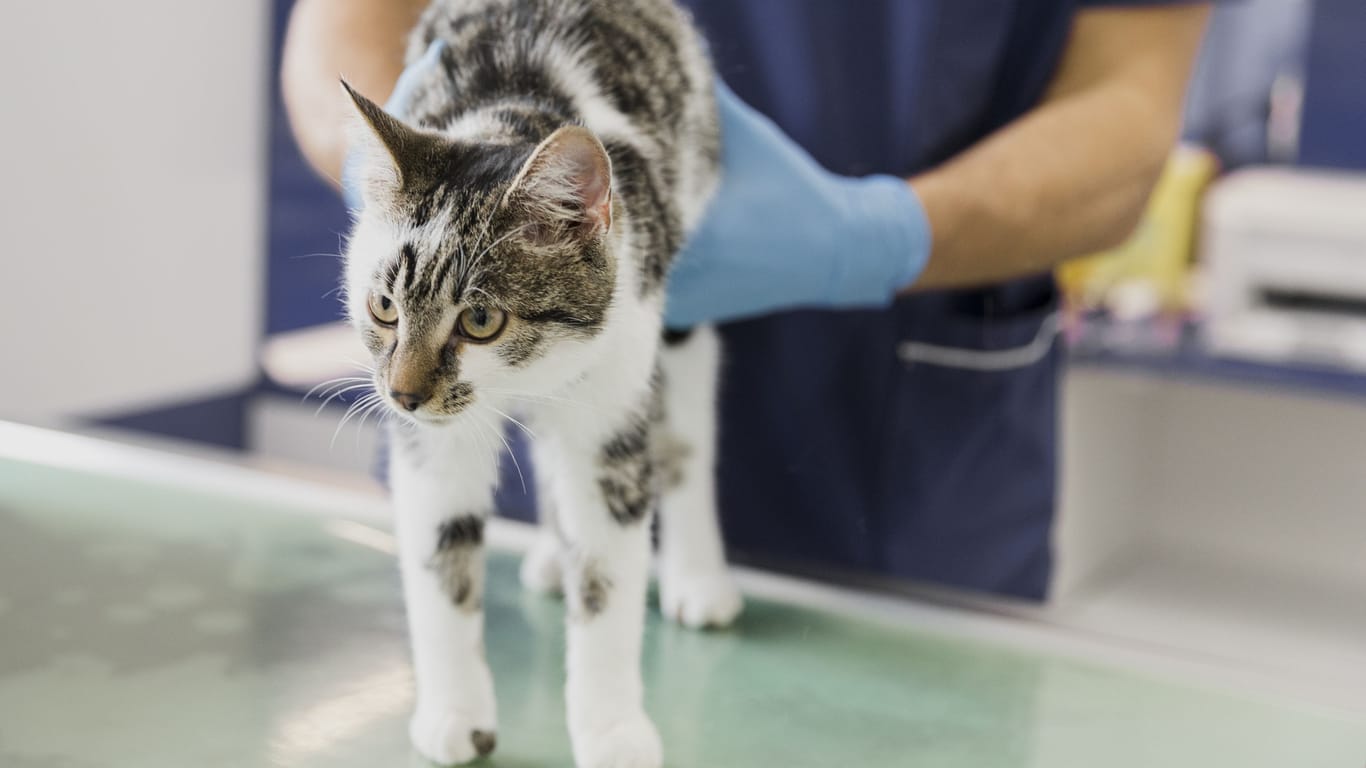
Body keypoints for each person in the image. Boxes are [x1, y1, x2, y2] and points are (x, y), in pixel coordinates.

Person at [283, 0, 1210, 601]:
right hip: (505, 434)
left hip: (905, 467)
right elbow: (343, 33)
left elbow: (1129, 107)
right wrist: (402, 186)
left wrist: (875, 233)